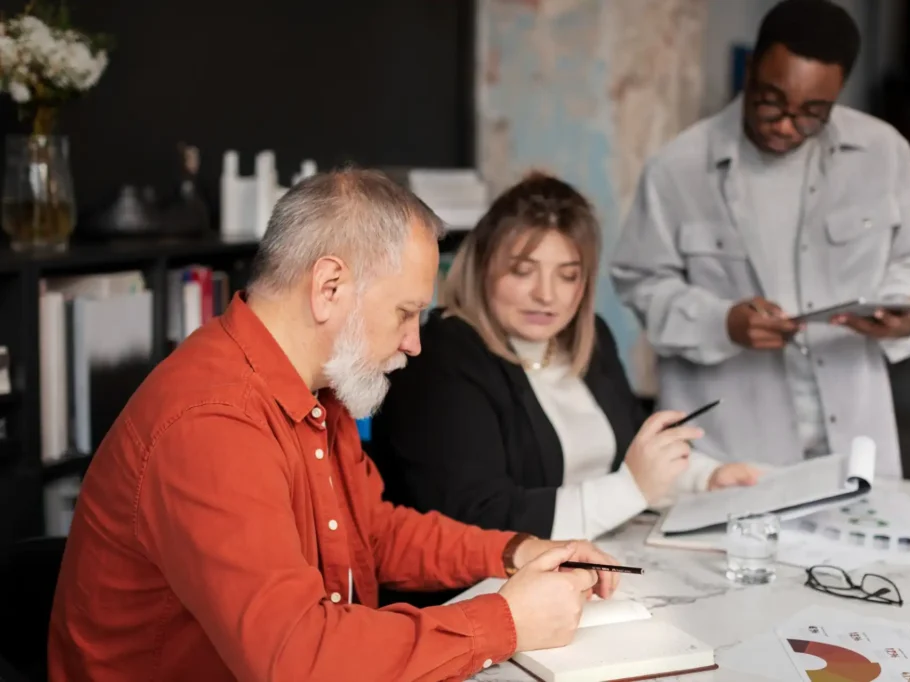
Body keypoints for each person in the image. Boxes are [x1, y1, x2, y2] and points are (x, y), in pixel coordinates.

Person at [48, 169, 624, 682]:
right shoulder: (213, 424)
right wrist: (506, 621)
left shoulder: (322, 385)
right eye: (405, 312)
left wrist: (516, 550)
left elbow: (372, 534)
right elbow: (298, 658)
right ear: (329, 287)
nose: (414, 342)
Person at [610, 0, 910, 478]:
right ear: (750, 70)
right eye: (771, 102)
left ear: (838, 94)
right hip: (730, 452)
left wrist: (905, 315)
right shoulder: (677, 168)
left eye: (812, 113)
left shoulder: (884, 154)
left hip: (855, 441)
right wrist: (722, 323)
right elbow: (640, 283)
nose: (787, 125)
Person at [371, 172, 760, 552]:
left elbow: (630, 455)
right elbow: (477, 516)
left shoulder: (590, 340)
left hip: (598, 557)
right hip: (487, 582)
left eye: (568, 276)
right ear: (482, 267)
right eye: (523, 271)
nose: (546, 295)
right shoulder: (442, 354)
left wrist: (705, 478)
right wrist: (629, 490)